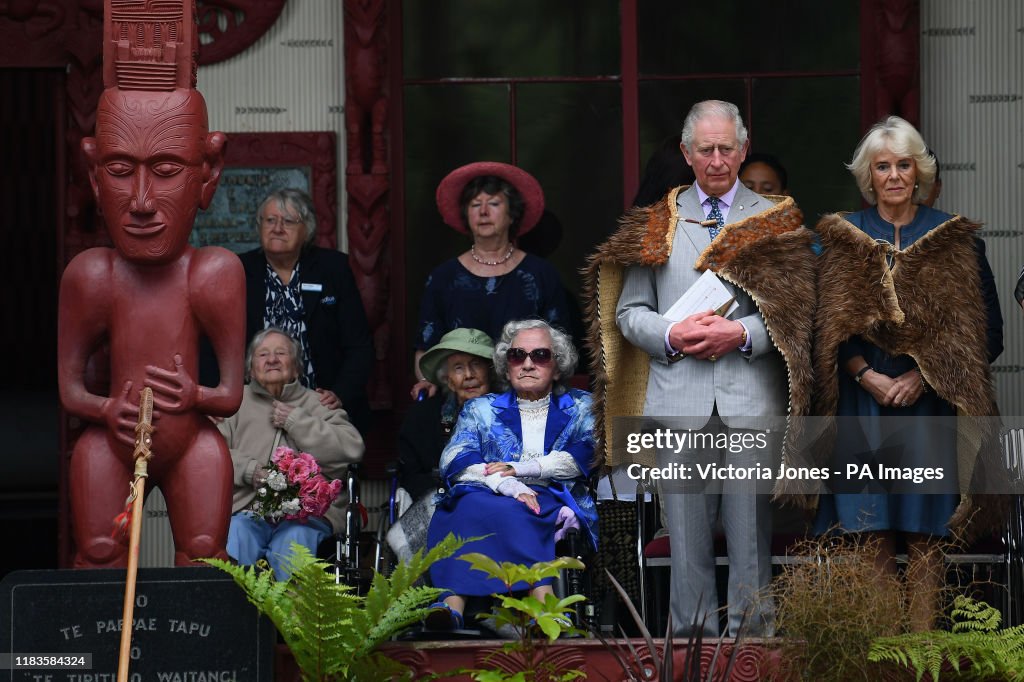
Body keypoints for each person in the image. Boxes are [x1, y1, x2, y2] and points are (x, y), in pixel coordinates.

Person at [586, 99, 817, 636]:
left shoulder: (775, 218)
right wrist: (671, 332)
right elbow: (628, 313)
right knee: (685, 537)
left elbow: (799, 313)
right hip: (677, 399)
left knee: (750, 536)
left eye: (727, 149)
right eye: (705, 150)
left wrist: (742, 334)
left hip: (749, 397)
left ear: (743, 150)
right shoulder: (654, 221)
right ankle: (689, 645)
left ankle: (753, 639)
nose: (717, 160)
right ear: (687, 154)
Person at [58, 6, 246, 568]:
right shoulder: (93, 275)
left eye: (165, 170)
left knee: (207, 555)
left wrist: (196, 398)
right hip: (110, 442)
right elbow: (68, 388)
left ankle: (199, 660)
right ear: (93, 175)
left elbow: (230, 395)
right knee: (96, 553)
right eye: (119, 169)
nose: (141, 202)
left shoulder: (212, 274)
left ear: (208, 173)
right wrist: (102, 407)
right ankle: (82, 662)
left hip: (191, 441)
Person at [812, 115, 1003, 631]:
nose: (894, 175)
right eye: (882, 166)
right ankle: (881, 658)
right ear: (867, 176)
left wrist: (925, 374)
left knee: (926, 532)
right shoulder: (840, 239)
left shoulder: (954, 239)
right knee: (871, 530)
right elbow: (824, 331)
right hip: (861, 406)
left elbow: (988, 335)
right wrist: (864, 374)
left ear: (919, 171)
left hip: (930, 407)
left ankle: (919, 653)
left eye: (903, 164)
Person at [424, 319, 599, 629]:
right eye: (518, 356)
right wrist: (506, 483)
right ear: (507, 366)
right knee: (463, 505)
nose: (528, 364)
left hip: (553, 494)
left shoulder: (582, 406)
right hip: (489, 492)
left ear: (557, 366)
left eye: (541, 356)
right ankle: (450, 610)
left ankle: (541, 605)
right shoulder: (481, 408)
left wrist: (521, 470)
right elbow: (455, 456)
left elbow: (583, 455)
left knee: (518, 506)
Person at [411, 162, 572, 399]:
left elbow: (561, 347)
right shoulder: (443, 278)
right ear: (466, 215)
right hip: (461, 401)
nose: (483, 212)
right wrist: (426, 381)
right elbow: (425, 349)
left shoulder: (541, 274)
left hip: (529, 400)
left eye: (494, 203)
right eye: (475, 205)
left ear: (512, 214)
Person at [218, 328, 364, 580]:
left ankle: (290, 620)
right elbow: (213, 454)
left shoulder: (319, 403)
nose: (272, 359)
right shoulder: (235, 406)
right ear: (250, 370)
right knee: (238, 535)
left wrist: (297, 421)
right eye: (263, 354)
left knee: (293, 542)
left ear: (296, 368)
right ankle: (238, 618)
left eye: (281, 353)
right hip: (248, 510)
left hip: (307, 517)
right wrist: (251, 471)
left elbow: (352, 449)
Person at [238, 188, 373, 433]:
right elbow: (215, 345)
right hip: (253, 407)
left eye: (288, 221)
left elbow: (359, 344)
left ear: (306, 230)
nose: (277, 228)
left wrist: (340, 393)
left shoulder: (333, 268)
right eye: (270, 220)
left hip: (320, 406)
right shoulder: (239, 271)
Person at [398, 328, 495, 500]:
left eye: (476, 364)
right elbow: (411, 475)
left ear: (490, 371)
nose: (468, 375)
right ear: (448, 380)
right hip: (440, 500)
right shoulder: (421, 417)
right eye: (458, 368)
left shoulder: (512, 412)